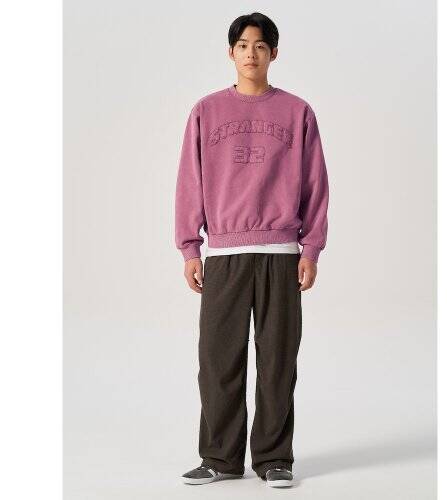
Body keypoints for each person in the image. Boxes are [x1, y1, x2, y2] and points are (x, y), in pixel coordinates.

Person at [175, 12, 330, 488]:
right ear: (230, 52)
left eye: (260, 46)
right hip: (223, 256)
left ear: (273, 53)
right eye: (242, 45)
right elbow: (190, 181)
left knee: (278, 361)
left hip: (281, 253)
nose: (251, 53)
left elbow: (315, 184)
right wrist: (190, 248)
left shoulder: (298, 112)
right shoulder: (206, 111)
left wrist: (311, 248)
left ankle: (274, 458)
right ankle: (220, 458)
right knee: (217, 361)